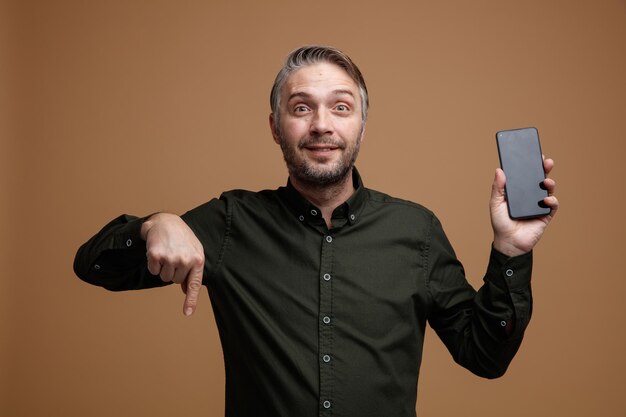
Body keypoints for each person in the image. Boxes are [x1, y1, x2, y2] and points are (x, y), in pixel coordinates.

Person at [74, 45, 559, 417]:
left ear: (362, 126)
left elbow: (485, 355)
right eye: (302, 107)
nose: (321, 125)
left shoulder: (417, 230)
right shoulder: (228, 223)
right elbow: (94, 265)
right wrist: (154, 224)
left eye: (341, 108)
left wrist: (510, 252)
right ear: (275, 126)